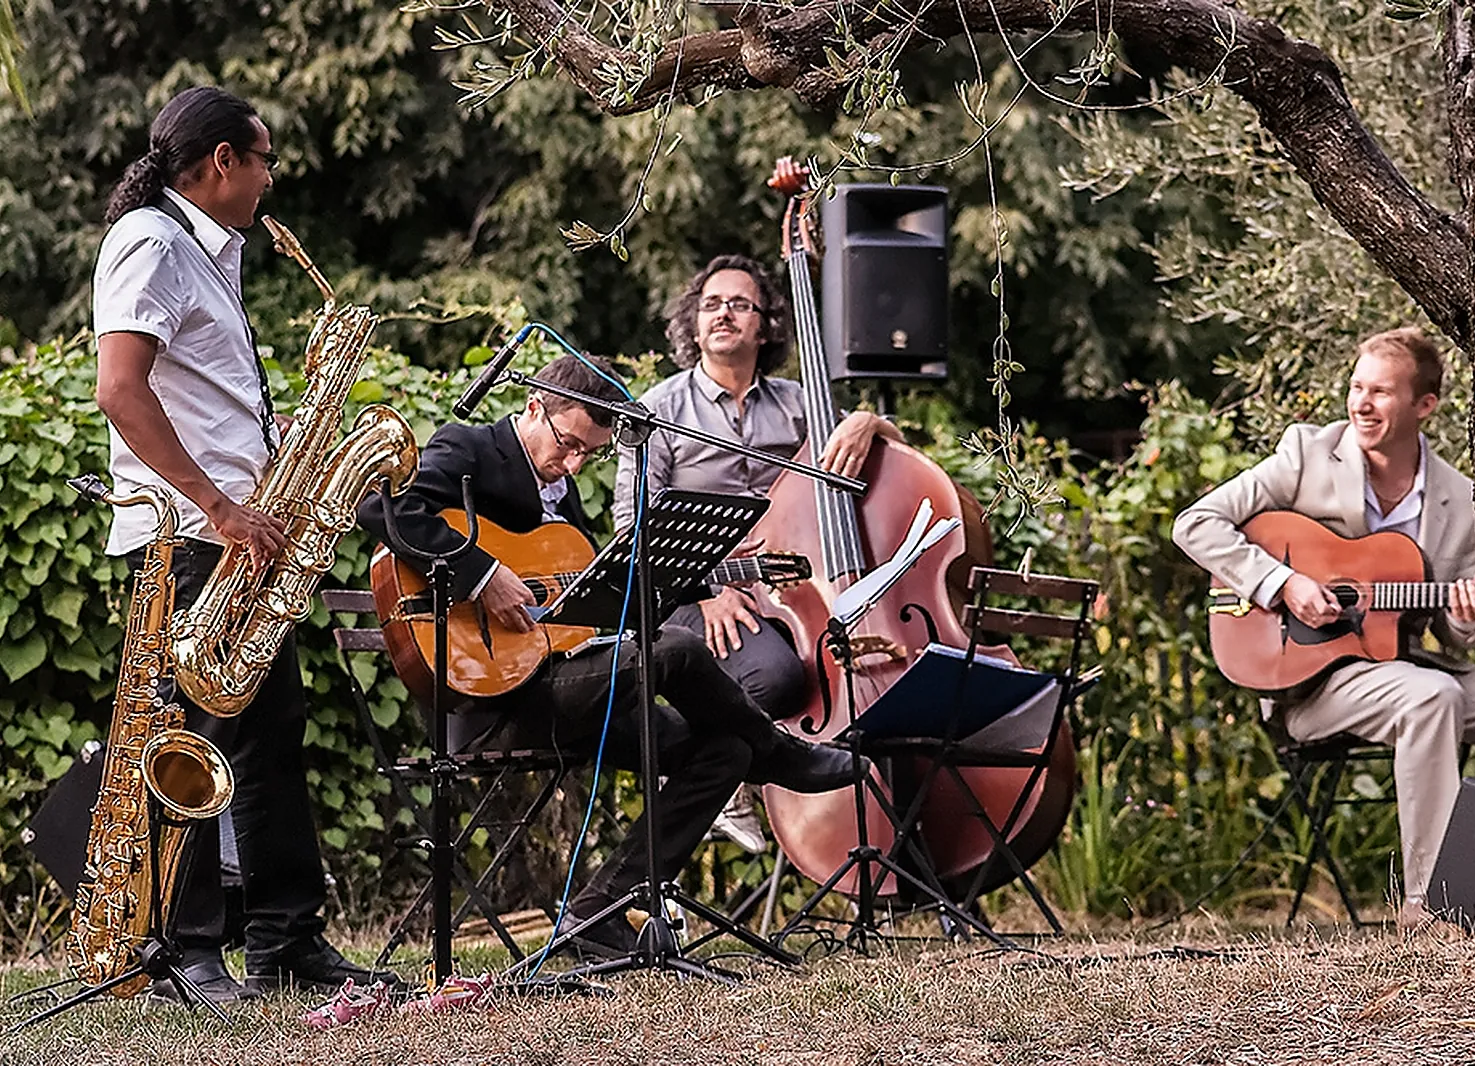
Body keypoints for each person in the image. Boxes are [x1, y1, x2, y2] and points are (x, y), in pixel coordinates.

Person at [354, 354, 856, 959]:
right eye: (567, 445)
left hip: (570, 685)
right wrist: (483, 574)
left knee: (726, 752)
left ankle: (597, 911)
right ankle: (787, 758)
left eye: (587, 454)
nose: (572, 463)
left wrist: (690, 575)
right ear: (534, 407)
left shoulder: (562, 492)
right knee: (677, 648)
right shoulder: (469, 448)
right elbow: (381, 509)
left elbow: (592, 593)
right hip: (492, 695)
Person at [93, 87, 397, 999]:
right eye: (263, 159)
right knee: (190, 746)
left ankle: (286, 940)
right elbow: (120, 388)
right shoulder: (151, 241)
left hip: (240, 538)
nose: (270, 178)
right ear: (221, 160)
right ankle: (182, 952)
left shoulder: (205, 253)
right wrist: (221, 508)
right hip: (192, 541)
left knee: (270, 738)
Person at [1171, 327, 1475, 933]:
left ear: (1425, 406)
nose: (1360, 403)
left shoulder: (1461, 499)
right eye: (1357, 387)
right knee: (1434, 697)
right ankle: (1431, 907)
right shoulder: (1307, 453)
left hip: (1406, 663)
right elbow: (1195, 524)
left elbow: (1461, 631)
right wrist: (1284, 583)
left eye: (1380, 392)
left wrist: (1468, 618)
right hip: (1311, 682)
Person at [612, 254, 902, 851]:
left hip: (792, 586)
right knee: (775, 675)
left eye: (740, 304)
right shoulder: (659, 410)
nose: (724, 314)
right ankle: (709, 769)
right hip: (698, 584)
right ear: (692, 324)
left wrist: (870, 422)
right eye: (712, 304)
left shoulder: (801, 404)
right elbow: (630, 522)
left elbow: (892, 453)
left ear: (764, 326)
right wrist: (706, 593)